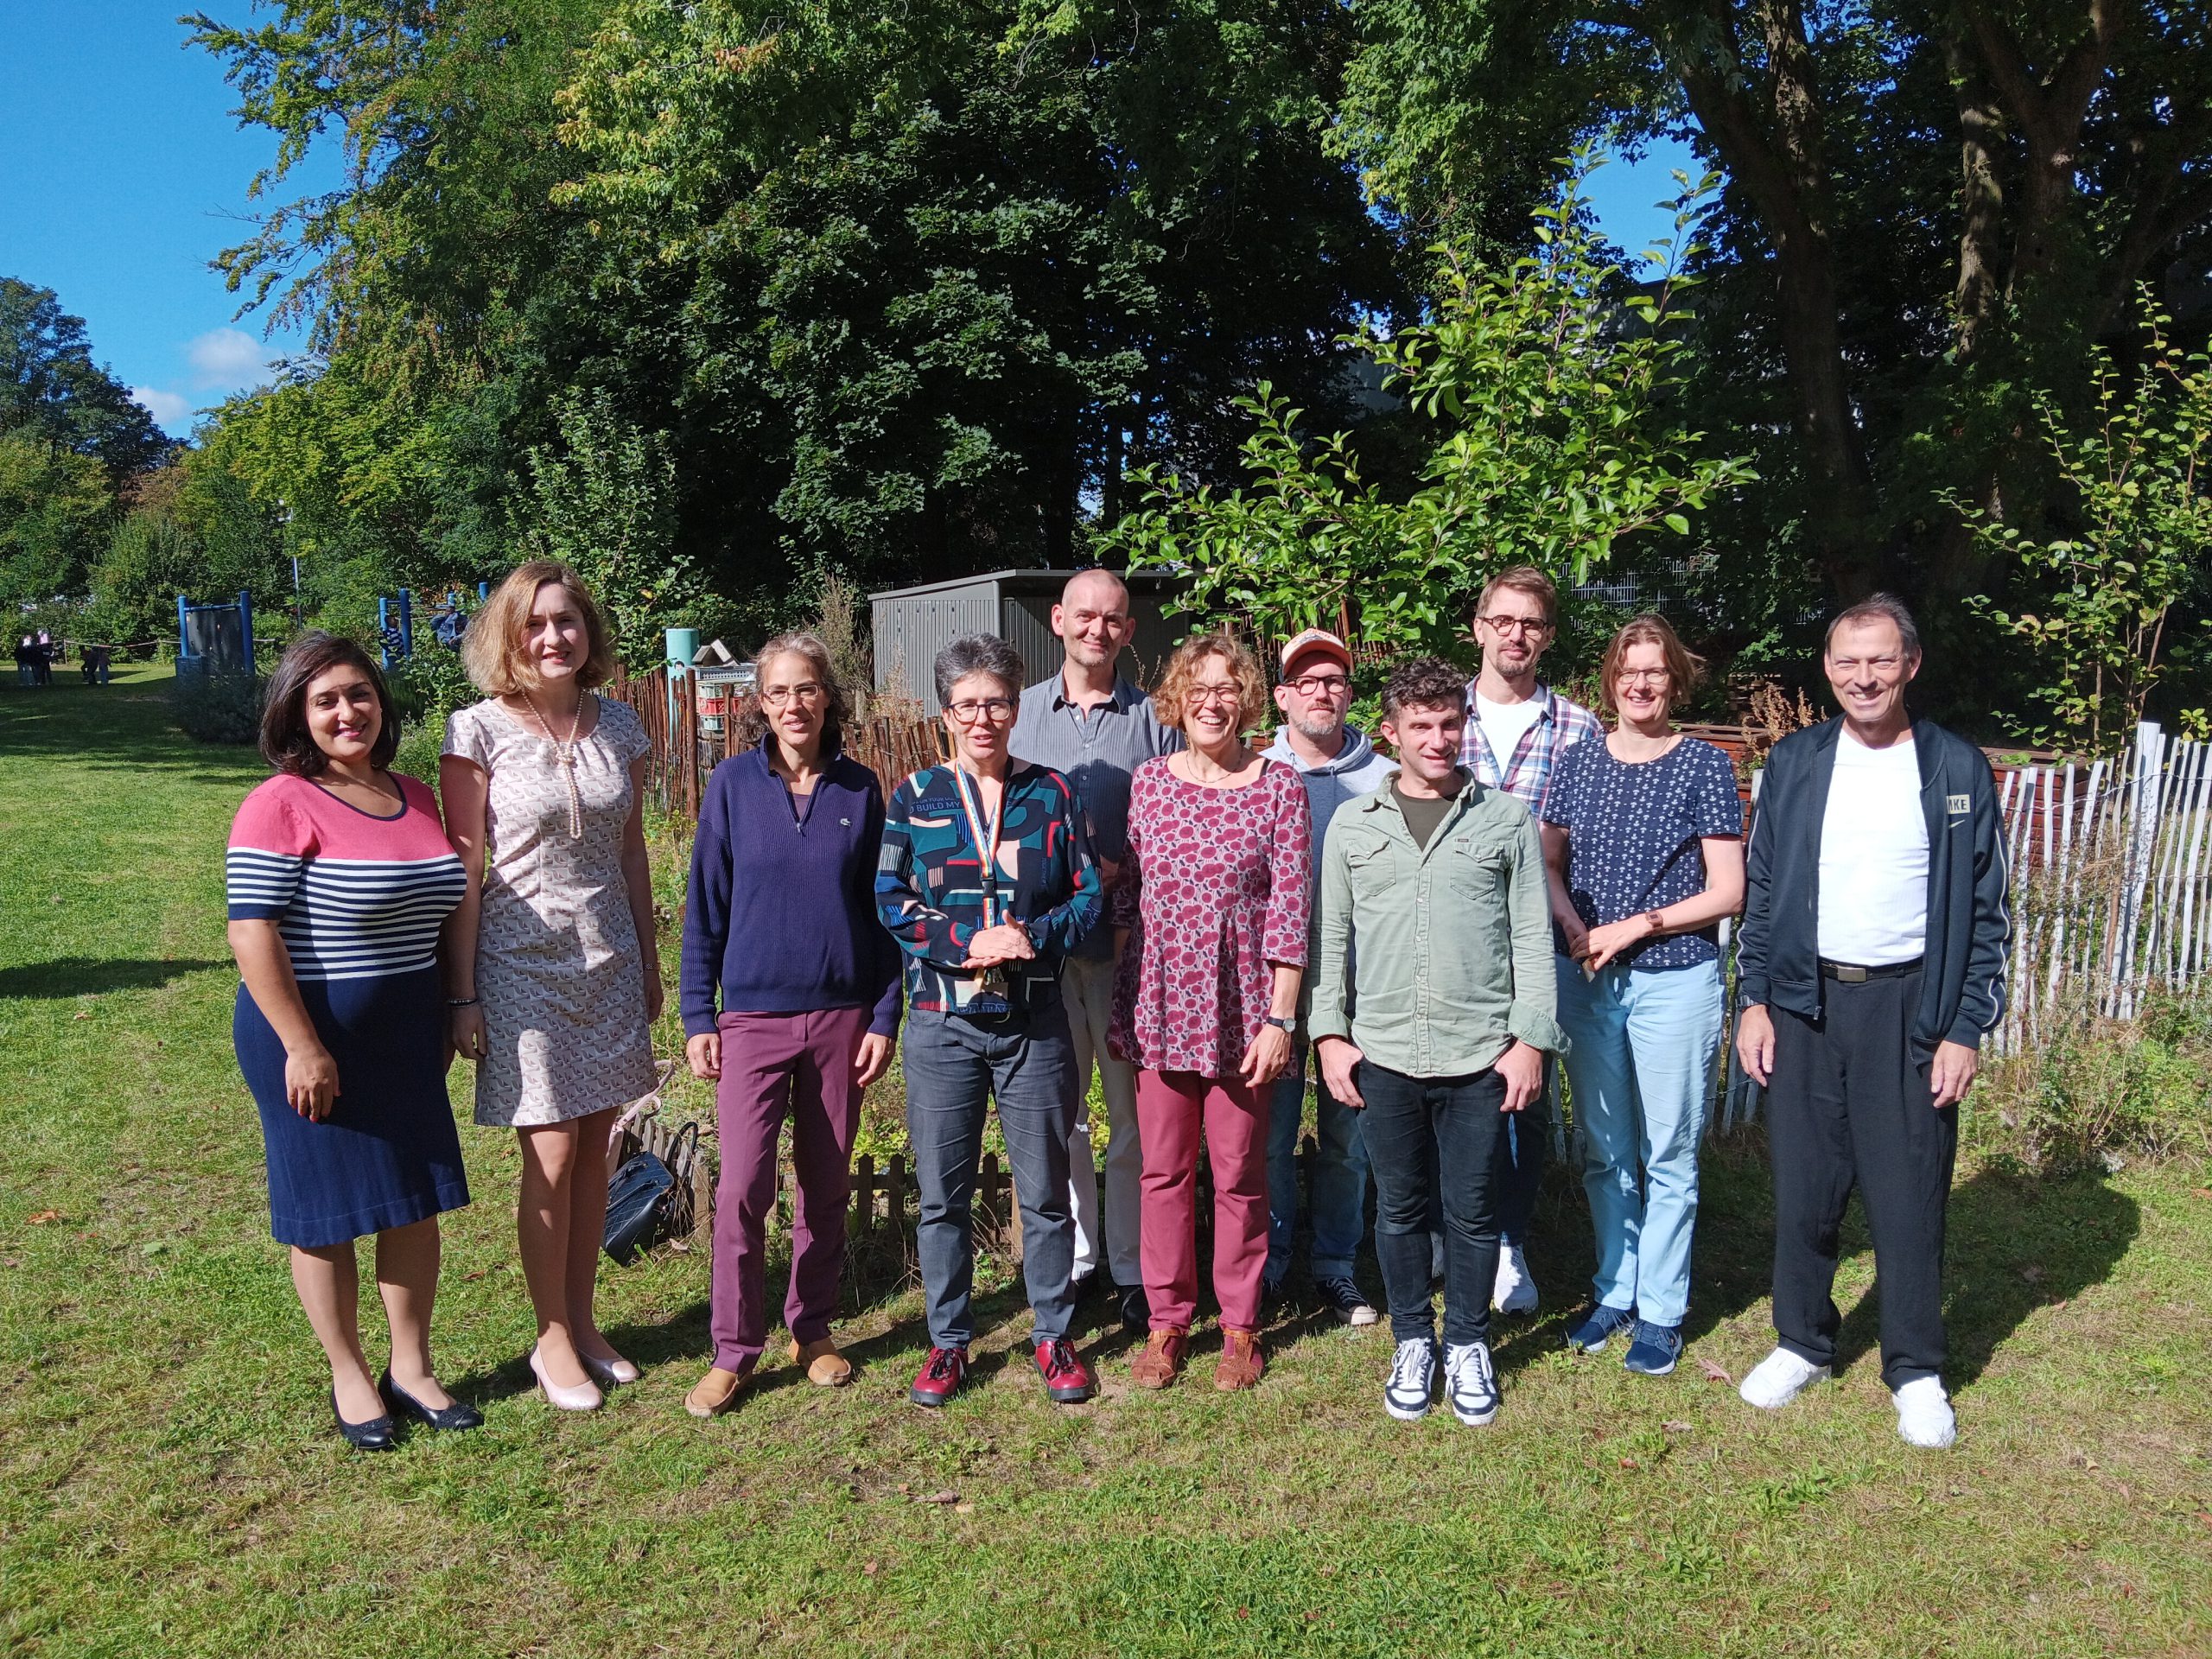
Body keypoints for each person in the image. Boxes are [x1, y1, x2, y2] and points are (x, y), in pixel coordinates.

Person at [1733, 595, 2008, 1449]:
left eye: (1880, 660)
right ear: (1827, 668)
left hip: (1911, 1009)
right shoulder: (1795, 763)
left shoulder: (1954, 768)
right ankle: (1802, 1342)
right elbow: (1763, 890)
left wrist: (1964, 1028)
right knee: (1805, 1191)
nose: (1864, 677)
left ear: (1909, 665)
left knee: (1909, 1195)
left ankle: (1916, 1368)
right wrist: (1754, 1000)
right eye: (1848, 661)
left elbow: (1986, 912)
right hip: (1805, 1003)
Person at [226, 632, 477, 1449]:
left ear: (381, 702)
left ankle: (412, 1367)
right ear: (296, 712)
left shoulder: (415, 794)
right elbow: (252, 930)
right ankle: (348, 1373)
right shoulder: (281, 801)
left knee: (413, 1202)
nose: (347, 712)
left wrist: (454, 1003)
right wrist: (303, 1046)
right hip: (310, 1036)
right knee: (324, 1211)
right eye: (326, 699)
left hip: (407, 1032)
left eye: (359, 694)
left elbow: (448, 906)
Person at [1311, 658, 1564, 1425]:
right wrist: (1329, 1034)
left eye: (1450, 722)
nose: (1437, 738)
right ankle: (1414, 1339)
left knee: (1474, 1208)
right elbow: (1330, 937)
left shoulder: (1505, 820)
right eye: (1420, 725)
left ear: (1464, 726)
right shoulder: (1354, 824)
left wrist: (1530, 1040)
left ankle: (1469, 1343)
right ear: (1391, 732)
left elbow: (1532, 935)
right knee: (1397, 1207)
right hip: (1383, 1050)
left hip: (1479, 1051)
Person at [440, 561, 661, 1414]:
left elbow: (632, 853)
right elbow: (466, 870)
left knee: (598, 1146)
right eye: (533, 623)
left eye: (565, 620)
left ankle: (585, 1321)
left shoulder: (621, 725)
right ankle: (552, 1337)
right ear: (508, 635)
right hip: (518, 960)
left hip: (607, 957)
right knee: (553, 1150)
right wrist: (462, 993)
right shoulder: (476, 731)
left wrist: (648, 961)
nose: (552, 637)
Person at [678, 633, 902, 1417]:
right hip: (752, 1019)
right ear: (760, 704)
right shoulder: (733, 786)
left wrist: (884, 1014)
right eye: (778, 692)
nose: (794, 704)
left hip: (841, 1018)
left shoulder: (860, 790)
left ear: (827, 697)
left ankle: (812, 1328)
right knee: (743, 1186)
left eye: (806, 688)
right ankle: (733, 1350)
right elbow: (704, 906)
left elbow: (885, 914)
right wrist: (698, 1013)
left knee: (826, 1182)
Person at [878, 634, 1104, 1408]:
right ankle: (948, 1341)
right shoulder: (915, 797)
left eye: (997, 702)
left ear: (1016, 708)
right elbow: (889, 899)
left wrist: (1030, 937)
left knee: (1044, 1192)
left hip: (1034, 1023)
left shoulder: (1053, 793)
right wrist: (965, 942)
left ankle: (1053, 1333)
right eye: (968, 705)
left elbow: (1088, 896)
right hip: (943, 1023)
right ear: (946, 714)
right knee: (943, 1196)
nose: (983, 718)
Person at [1541, 615, 1746, 1377]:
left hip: (1674, 980)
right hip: (1588, 979)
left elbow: (1728, 890)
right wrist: (1571, 923)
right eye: (1629, 670)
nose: (1641, 683)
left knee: (1669, 1152)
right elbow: (1547, 861)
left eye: (1655, 670)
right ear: (1610, 680)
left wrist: (1636, 925)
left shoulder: (1704, 765)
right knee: (1605, 1148)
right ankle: (1614, 1290)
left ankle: (1661, 1309)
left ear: (1676, 681)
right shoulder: (1577, 761)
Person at [1110, 632, 1311, 1392]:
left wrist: (1280, 1019)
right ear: (1177, 699)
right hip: (1160, 1006)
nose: (1212, 702)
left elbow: (1290, 911)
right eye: (1198, 688)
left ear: (1247, 699)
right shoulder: (1149, 783)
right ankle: (1167, 1323)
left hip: (1242, 1011)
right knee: (1162, 1172)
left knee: (1239, 1175)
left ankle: (1239, 1326)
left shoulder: (1279, 787)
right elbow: (1131, 898)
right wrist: (1126, 1000)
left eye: (1227, 688)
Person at [1008, 569, 1182, 1331]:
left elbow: (1181, 818)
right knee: (1063, 1115)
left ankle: (1133, 1265)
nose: (1097, 630)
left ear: (1128, 631)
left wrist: (1123, 868)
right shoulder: (1017, 717)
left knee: (1132, 1119)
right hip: (1044, 952)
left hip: (1128, 950)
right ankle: (1077, 1261)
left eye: (1112, 619)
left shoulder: (1156, 721)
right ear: (1058, 620)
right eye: (1084, 616)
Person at [1459, 566, 1603, 1315]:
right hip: (1447, 940)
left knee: (1523, 1093)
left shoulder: (1578, 728)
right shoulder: (1441, 715)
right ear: (1479, 628)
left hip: (1538, 940)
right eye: (1504, 620)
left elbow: (1589, 842)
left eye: (1532, 624)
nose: (1516, 635)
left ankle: (1509, 1245)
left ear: (1547, 637)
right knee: (1444, 1087)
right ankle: (1450, 1236)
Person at [1259, 628, 1396, 1325]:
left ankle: (1336, 1266)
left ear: (1350, 693)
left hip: (1361, 984)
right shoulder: (1255, 774)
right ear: (1282, 697)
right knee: (1270, 1134)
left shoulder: (1389, 780)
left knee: (1349, 1135)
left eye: (1334, 681)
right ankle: (1271, 1263)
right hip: (1274, 984)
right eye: (1306, 682)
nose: (1322, 692)